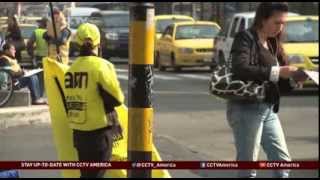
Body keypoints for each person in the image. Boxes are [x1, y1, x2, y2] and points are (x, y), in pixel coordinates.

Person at [226, 2, 308, 178]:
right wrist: (278, 71)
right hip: (245, 108)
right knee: (249, 168)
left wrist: (295, 78)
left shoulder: (273, 43)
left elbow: (280, 81)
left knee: (282, 163)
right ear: (263, 19)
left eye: (284, 23)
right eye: (277, 22)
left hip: (268, 109)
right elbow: (240, 68)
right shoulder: (246, 38)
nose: (280, 27)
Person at [64, 23, 124, 178]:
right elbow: (117, 98)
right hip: (99, 133)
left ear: (77, 42)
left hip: (78, 133)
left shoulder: (70, 70)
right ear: (99, 42)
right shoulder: (102, 66)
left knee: (86, 175)